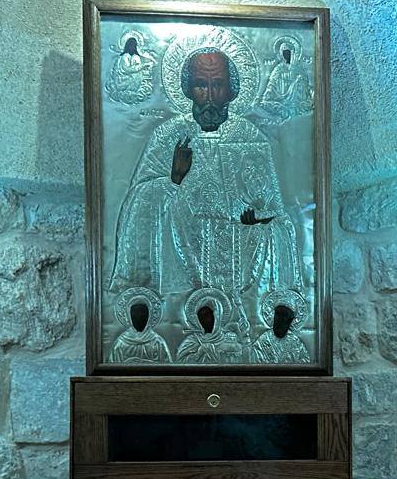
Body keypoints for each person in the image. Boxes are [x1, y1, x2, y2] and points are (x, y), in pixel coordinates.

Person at [109, 46, 304, 297]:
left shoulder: (250, 137)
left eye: (218, 85)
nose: (210, 96)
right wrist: (173, 180)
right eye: (201, 85)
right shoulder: (167, 136)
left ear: (232, 90)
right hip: (181, 263)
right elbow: (137, 206)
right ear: (188, 89)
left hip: (239, 260)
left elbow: (277, 218)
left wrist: (259, 220)